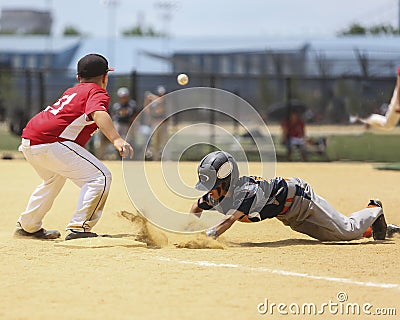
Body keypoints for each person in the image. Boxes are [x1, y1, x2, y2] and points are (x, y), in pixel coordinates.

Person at [15, 53, 134, 241]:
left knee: (54, 179)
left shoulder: (72, 91)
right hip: (50, 141)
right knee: (100, 177)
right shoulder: (97, 91)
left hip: (30, 139)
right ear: (105, 77)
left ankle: (28, 226)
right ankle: (80, 227)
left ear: (78, 78)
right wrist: (117, 139)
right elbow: (98, 112)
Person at [190, 151, 400, 241]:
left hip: (301, 200)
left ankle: (374, 208)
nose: (209, 193)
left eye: (213, 187)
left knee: (345, 232)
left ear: (226, 183)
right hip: (288, 214)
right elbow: (196, 206)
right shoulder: (217, 196)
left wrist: (206, 237)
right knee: (332, 236)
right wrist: (189, 228)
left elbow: (228, 220)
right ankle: (374, 228)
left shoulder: (245, 192)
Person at [144, 85, 168, 160]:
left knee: (165, 142)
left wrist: (151, 96)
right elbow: (146, 109)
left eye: (162, 94)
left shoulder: (164, 101)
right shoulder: (154, 102)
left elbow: (161, 100)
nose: (161, 95)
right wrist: (147, 100)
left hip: (163, 124)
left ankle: (166, 159)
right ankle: (155, 159)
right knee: (155, 143)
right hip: (155, 123)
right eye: (160, 94)